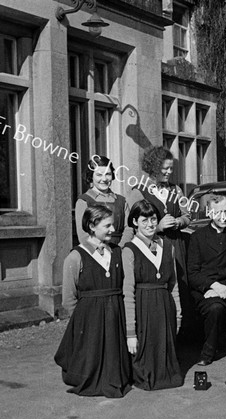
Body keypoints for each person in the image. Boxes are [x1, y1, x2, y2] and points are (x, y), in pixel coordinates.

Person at [54, 205, 132, 397]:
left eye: (112, 225)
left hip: (115, 313)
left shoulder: (117, 252)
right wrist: (84, 321)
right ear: (91, 225)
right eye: (107, 226)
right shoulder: (75, 257)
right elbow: (68, 298)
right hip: (89, 318)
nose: (113, 230)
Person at [127, 146, 191, 334]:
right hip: (152, 248)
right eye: (165, 169)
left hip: (175, 246)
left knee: (178, 288)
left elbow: (188, 215)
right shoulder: (138, 191)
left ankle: (178, 333)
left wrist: (179, 221)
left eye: (171, 168)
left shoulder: (176, 190)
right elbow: (133, 223)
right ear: (153, 167)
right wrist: (158, 227)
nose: (169, 172)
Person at [122, 200, 183, 390]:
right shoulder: (129, 250)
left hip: (164, 306)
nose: (149, 225)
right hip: (143, 306)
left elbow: (173, 285)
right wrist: (130, 332)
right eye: (144, 220)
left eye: (153, 219)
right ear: (134, 222)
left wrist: (178, 315)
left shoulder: (168, 247)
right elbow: (127, 292)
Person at [187, 192, 226, 366]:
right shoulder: (197, 237)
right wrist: (213, 286)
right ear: (209, 212)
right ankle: (208, 352)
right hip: (207, 289)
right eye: (217, 212)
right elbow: (193, 273)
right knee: (215, 308)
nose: (223, 217)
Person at [75, 155, 133, 247]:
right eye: (99, 175)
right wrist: (101, 252)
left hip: (120, 251)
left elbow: (129, 229)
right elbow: (83, 235)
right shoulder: (84, 201)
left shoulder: (122, 201)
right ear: (91, 176)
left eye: (108, 174)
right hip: (95, 253)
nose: (104, 179)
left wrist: (120, 250)